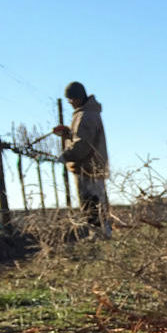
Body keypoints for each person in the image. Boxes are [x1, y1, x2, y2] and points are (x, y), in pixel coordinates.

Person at [53, 81, 110, 238]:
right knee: (96, 203)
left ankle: (99, 236)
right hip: (92, 166)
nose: (70, 103)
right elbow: (82, 138)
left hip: (88, 167)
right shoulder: (87, 113)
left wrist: (65, 156)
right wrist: (67, 134)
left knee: (91, 203)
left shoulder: (85, 115)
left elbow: (83, 144)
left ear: (76, 98)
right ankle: (101, 235)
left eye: (70, 99)